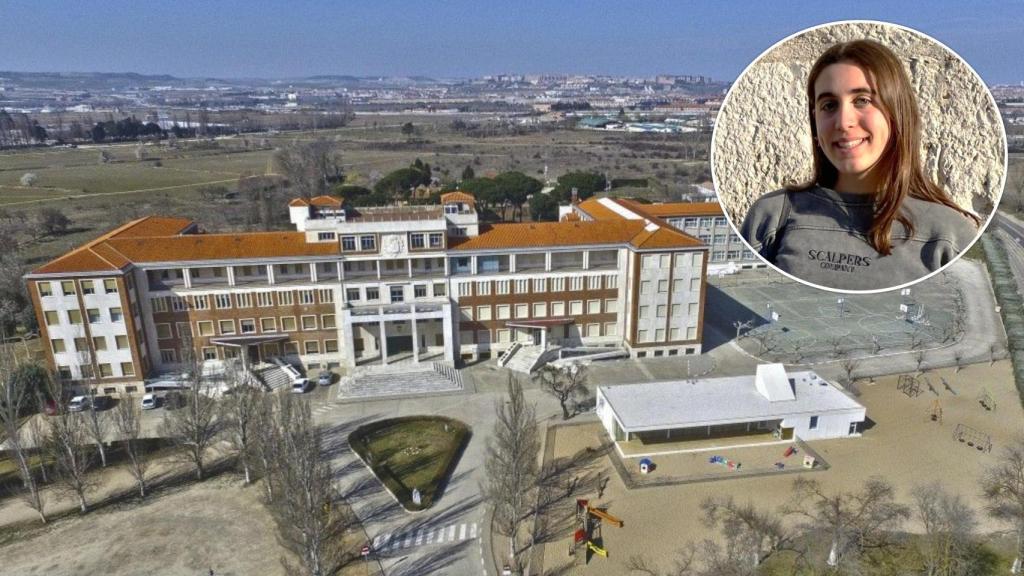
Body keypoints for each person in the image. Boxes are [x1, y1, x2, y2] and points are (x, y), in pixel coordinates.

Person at [740, 39, 979, 291]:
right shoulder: (773, 216)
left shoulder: (948, 234)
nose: (843, 122)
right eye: (829, 105)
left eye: (862, 100)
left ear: (897, 113)